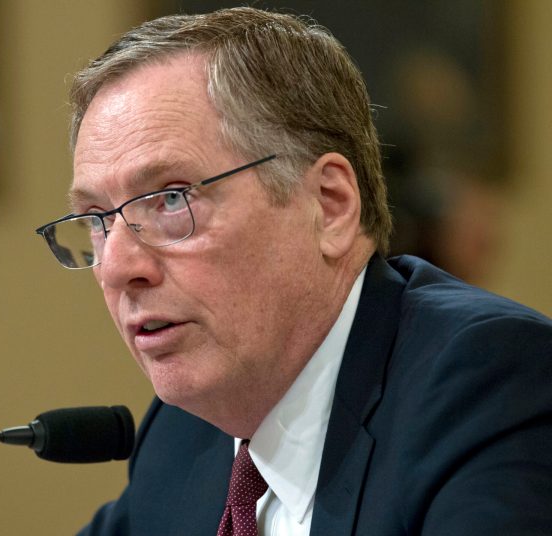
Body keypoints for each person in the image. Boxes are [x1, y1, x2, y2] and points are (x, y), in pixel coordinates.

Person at [35, 8, 552, 535]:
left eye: (171, 199)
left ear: (329, 206)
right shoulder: (185, 436)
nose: (119, 267)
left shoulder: (490, 386)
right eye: (96, 220)